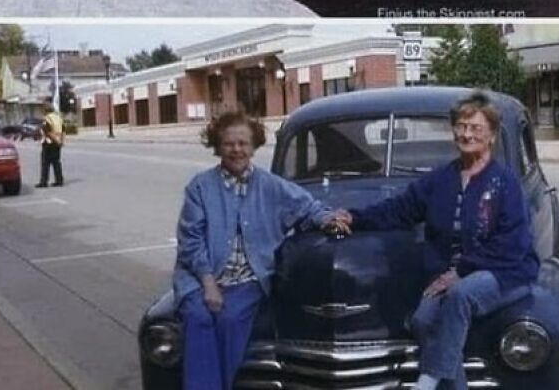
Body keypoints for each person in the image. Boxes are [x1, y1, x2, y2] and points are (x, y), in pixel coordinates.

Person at [335, 91, 539, 390]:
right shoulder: (441, 179)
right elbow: (400, 209)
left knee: (461, 295)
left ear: (492, 135)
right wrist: (355, 217)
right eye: (461, 126)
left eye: (475, 128)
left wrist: (461, 272)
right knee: (422, 320)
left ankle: (427, 382)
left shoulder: (504, 182)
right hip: (449, 275)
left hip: (504, 271)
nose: (466, 134)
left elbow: (512, 244)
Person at [173, 110, 346, 390]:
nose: (236, 150)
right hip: (200, 277)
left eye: (243, 143)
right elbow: (190, 240)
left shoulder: (271, 186)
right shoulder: (200, 187)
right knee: (198, 317)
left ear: (253, 146)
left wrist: (328, 220)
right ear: (218, 146)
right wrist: (208, 284)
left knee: (230, 319)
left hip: (248, 279)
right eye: (229, 143)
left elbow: (308, 207)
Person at [36, 103, 64, 188]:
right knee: (56, 162)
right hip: (57, 143)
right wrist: (61, 141)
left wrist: (55, 140)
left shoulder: (47, 119)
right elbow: (63, 131)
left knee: (45, 163)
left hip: (49, 143)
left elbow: (47, 132)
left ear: (45, 110)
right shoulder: (58, 118)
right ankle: (59, 180)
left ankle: (44, 182)